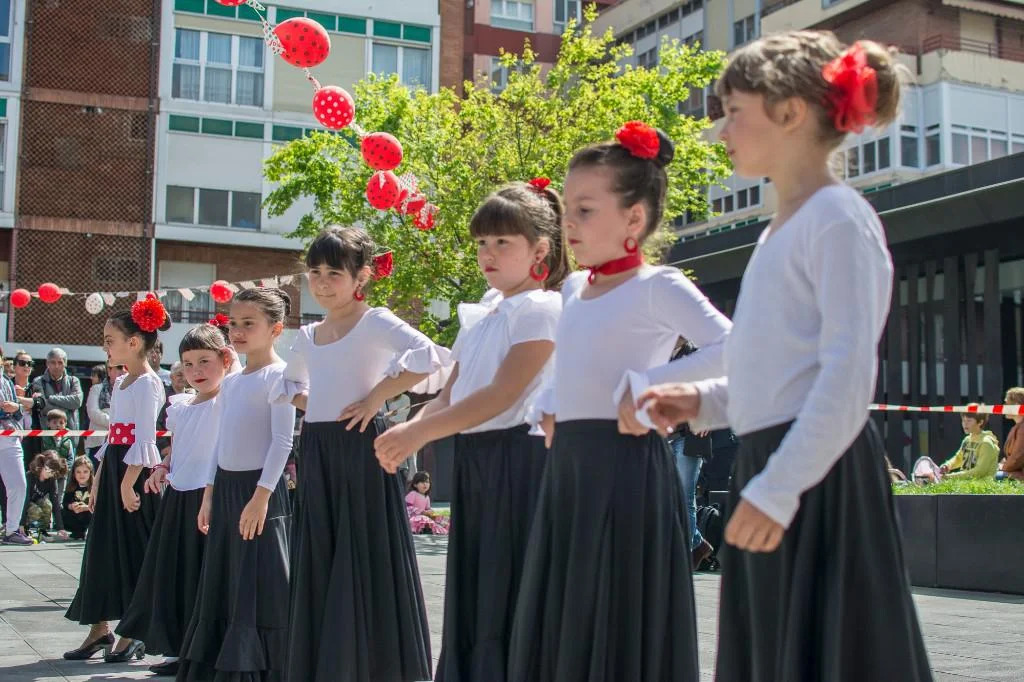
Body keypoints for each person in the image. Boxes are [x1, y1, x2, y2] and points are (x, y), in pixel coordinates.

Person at [635, 31, 932, 680]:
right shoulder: (778, 231)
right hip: (778, 464)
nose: (720, 131)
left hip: (816, 476)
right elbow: (773, 371)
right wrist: (701, 401)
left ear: (791, 112)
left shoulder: (838, 218)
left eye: (733, 111)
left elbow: (846, 376)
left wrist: (777, 489)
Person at [506, 122, 732, 682]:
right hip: (568, 468)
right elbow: (569, 362)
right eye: (567, 210)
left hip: (626, 467)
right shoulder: (572, 289)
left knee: (615, 614)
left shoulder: (659, 285)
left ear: (634, 219)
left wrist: (654, 384)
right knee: (566, 614)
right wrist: (551, 401)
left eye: (585, 210)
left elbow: (735, 346)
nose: (569, 224)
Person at [374, 180, 568, 682]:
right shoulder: (483, 311)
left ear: (540, 250)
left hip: (522, 463)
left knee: (512, 588)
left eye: (503, 241)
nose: (488, 253)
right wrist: (409, 429)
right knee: (478, 587)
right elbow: (450, 394)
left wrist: (419, 435)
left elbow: (501, 395)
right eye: (482, 241)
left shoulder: (543, 308)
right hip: (477, 459)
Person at [278, 227, 442, 682]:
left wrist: (375, 398)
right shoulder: (308, 334)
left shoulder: (375, 321)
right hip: (318, 448)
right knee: (322, 551)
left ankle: (373, 665)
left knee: (364, 550)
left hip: (363, 446)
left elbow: (427, 355)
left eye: (334, 273)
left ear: (361, 276)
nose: (323, 282)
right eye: (315, 272)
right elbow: (290, 385)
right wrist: (321, 405)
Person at [176, 288, 295, 682]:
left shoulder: (280, 375)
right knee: (225, 578)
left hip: (260, 490)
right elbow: (221, 441)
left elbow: (282, 442)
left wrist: (261, 497)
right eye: (233, 324)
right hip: (226, 489)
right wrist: (209, 494)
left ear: (275, 329)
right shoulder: (231, 382)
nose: (238, 331)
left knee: (259, 580)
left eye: (249, 323)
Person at [117, 322, 239, 677]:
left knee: (204, 576)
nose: (196, 371)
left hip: (209, 495)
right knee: (176, 575)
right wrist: (162, 467)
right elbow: (179, 446)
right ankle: (178, 647)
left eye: (204, 361)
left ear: (224, 359)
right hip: (179, 496)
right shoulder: (181, 405)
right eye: (188, 363)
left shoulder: (228, 398)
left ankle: (204, 651)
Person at [63, 295, 169, 663]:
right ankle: (100, 628)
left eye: (110, 340)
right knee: (102, 549)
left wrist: (127, 483)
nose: (105, 347)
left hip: (134, 476)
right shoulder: (122, 382)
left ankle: (133, 630)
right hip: (115, 472)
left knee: (135, 551)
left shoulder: (149, 383)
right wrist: (98, 482)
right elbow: (113, 439)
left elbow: (144, 437)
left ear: (134, 342)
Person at [0, 349, 30, 546]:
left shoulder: (7, 382)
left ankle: (11, 530)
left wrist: (16, 406)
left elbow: (19, 413)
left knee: (18, 484)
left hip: (9, 437)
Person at [30, 348, 84, 451]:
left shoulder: (73, 381)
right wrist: (68, 407)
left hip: (70, 438)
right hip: (47, 441)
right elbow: (43, 406)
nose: (56, 366)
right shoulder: (38, 381)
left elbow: (77, 402)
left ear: (65, 364)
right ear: (47, 363)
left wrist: (52, 398)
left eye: (60, 362)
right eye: (53, 362)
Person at [940, 408, 999, 480]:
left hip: (982, 485)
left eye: (969, 420)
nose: (965, 423)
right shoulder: (967, 439)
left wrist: (950, 477)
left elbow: (980, 471)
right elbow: (959, 458)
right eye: (963, 420)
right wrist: (947, 466)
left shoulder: (986, 443)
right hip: (966, 482)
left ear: (980, 422)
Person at [86, 364, 126, 466]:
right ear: (109, 370)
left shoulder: (128, 391)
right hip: (98, 444)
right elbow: (93, 412)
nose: (123, 371)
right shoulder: (96, 388)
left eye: (125, 368)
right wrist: (114, 423)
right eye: (119, 368)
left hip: (121, 442)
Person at [23, 451, 69, 539]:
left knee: (48, 505)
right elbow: (26, 499)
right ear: (42, 464)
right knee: (36, 511)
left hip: (36, 501)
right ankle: (23, 528)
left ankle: (42, 531)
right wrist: (21, 523)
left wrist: (60, 528)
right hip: (23, 504)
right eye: (48, 469)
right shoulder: (30, 476)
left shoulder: (52, 480)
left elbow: (55, 502)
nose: (50, 473)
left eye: (53, 471)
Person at [405, 471, 449, 535]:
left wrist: (430, 512)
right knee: (422, 518)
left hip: (425, 516)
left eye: (427, 482)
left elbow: (427, 509)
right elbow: (407, 508)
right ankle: (423, 529)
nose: (425, 484)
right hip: (413, 518)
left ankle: (429, 528)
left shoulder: (427, 497)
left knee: (442, 517)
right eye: (422, 482)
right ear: (415, 484)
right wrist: (421, 512)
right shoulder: (413, 494)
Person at [63, 456, 94, 540]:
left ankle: (89, 530)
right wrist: (71, 506)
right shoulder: (71, 486)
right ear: (74, 473)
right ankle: (77, 531)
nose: (82, 475)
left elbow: (100, 505)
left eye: (85, 472)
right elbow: (65, 503)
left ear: (90, 472)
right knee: (64, 513)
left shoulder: (95, 487)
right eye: (78, 472)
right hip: (75, 516)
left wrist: (86, 507)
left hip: (89, 515)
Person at [997, 387, 1024, 481]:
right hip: (1015, 471)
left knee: (995, 476)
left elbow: (1018, 457)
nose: (1003, 406)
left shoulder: (1022, 429)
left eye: (1006, 403)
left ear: (1016, 406)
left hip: (1020, 475)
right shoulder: (1017, 427)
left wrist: (1002, 467)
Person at [42, 409, 75, 479]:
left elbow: (71, 458)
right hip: (47, 473)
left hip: (63, 474)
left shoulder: (68, 441)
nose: (58, 425)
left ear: (65, 424)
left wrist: (65, 469)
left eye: (61, 423)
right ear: (48, 423)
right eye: (54, 422)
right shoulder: (44, 439)